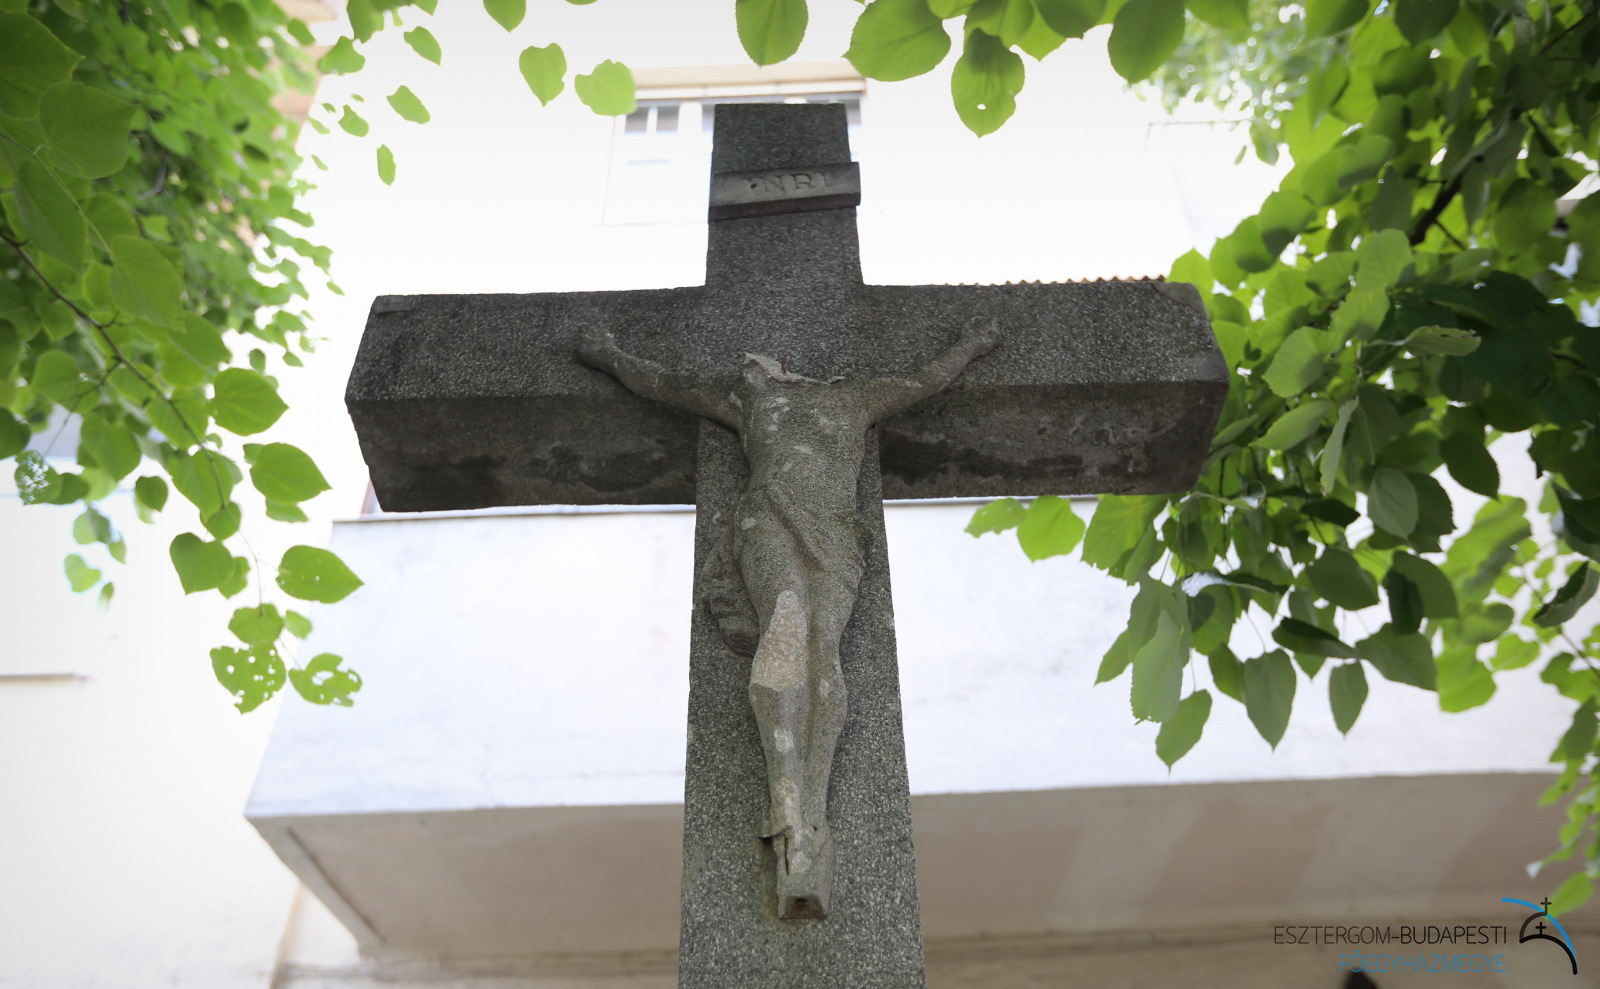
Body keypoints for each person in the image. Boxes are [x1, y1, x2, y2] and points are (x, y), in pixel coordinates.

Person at [576, 319, 1001, 918]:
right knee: (786, 627)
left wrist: (971, 345)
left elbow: (926, 379)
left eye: (758, 360)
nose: (751, 364)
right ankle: (786, 802)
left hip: (835, 533)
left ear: (782, 365)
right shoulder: (749, 398)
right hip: (770, 521)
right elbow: (663, 383)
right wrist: (610, 353)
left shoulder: (857, 396)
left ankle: (812, 812)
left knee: (823, 646)